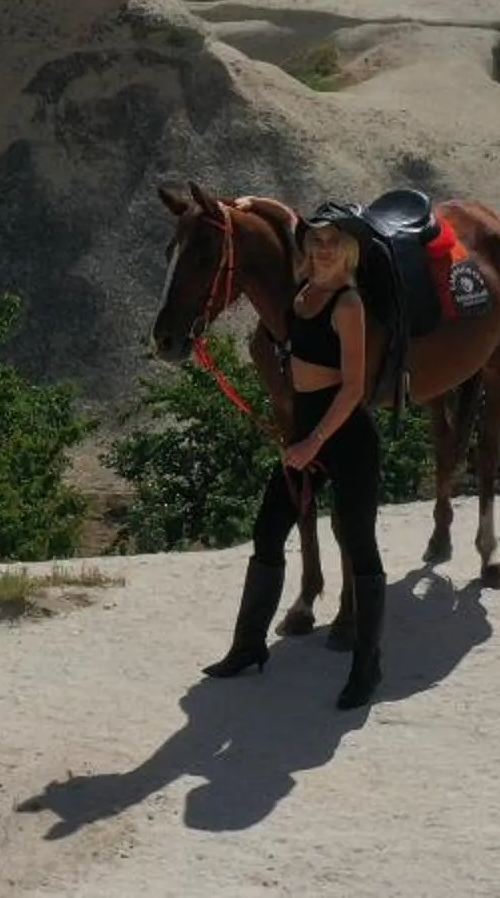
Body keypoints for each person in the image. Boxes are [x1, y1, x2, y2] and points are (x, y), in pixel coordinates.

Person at [200, 211, 387, 710]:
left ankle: (367, 667)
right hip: (305, 435)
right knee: (267, 531)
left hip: (346, 439)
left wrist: (313, 442)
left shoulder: (348, 304)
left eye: (332, 241)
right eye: (315, 240)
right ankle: (247, 647)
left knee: (359, 543)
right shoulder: (301, 296)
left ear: (346, 249)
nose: (322, 248)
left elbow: (353, 389)